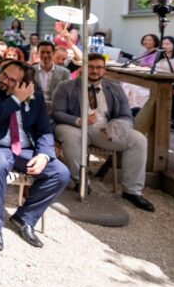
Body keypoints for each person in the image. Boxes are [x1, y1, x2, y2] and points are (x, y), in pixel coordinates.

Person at [0, 61, 70, 250]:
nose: (5, 81)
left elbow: (44, 130)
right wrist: (15, 99)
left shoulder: (35, 97)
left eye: (12, 80)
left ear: (25, 84)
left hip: (24, 149)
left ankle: (25, 218)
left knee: (60, 173)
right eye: (4, 75)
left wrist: (44, 156)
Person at [52, 54, 155, 211]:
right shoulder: (66, 86)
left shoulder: (114, 88)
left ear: (104, 70)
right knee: (71, 136)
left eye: (98, 67)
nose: (94, 70)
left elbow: (126, 115)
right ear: (83, 69)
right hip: (74, 126)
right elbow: (57, 113)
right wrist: (81, 120)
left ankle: (132, 191)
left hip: (103, 131)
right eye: (90, 67)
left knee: (138, 139)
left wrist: (115, 127)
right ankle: (80, 181)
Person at [32, 41, 69, 106]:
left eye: (48, 52)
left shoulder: (64, 72)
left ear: (53, 53)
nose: (45, 55)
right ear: (37, 53)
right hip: (35, 106)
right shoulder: (30, 71)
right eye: (42, 52)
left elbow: (66, 93)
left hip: (57, 107)